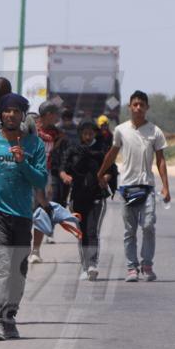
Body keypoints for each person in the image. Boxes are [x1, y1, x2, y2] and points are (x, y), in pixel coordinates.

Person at [0, 93, 48, 341]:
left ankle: (9, 316)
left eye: (16, 111)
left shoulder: (35, 145)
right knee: (1, 264)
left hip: (22, 214)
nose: (11, 115)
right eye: (6, 110)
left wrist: (23, 162)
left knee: (18, 269)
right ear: (0, 114)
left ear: (23, 115)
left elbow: (41, 180)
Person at [97, 90, 170, 282]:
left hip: (147, 187)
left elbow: (161, 160)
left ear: (147, 108)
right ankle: (132, 267)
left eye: (142, 105)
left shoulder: (155, 131)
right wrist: (100, 173)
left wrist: (166, 187)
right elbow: (112, 154)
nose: (138, 108)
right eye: (135, 104)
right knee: (129, 231)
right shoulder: (121, 130)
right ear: (130, 107)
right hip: (127, 188)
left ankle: (147, 265)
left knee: (148, 226)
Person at [60, 120, 115, 281]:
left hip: (96, 196)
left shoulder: (102, 149)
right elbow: (62, 168)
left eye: (91, 132)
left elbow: (112, 170)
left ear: (95, 133)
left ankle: (92, 265)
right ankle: (84, 267)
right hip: (77, 198)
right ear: (81, 134)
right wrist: (65, 176)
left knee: (92, 231)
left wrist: (105, 178)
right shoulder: (73, 149)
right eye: (85, 133)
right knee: (81, 233)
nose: (88, 136)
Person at [28, 101, 64, 264]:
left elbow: (55, 146)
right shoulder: (31, 127)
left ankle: (36, 250)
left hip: (45, 174)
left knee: (42, 211)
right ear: (49, 114)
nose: (58, 117)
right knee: (26, 212)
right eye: (56, 114)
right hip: (28, 173)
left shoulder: (55, 132)